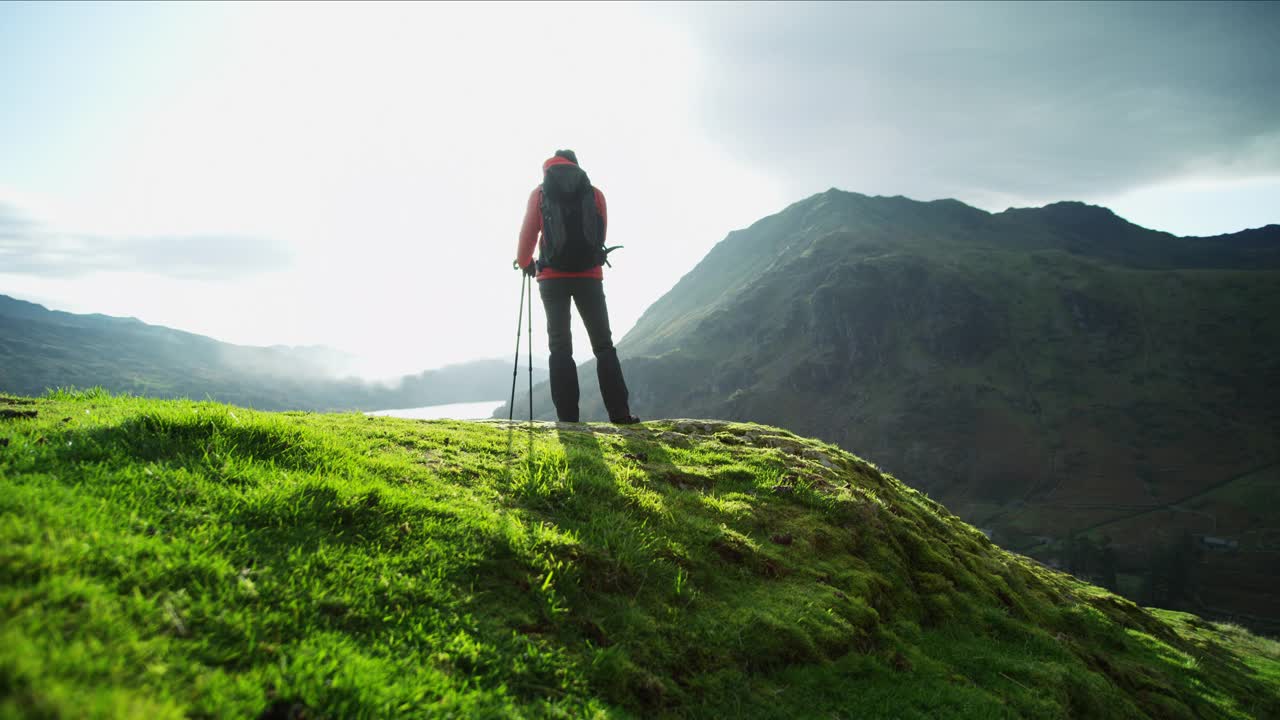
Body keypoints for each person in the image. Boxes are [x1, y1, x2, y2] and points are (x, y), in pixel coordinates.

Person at [515, 149, 640, 425]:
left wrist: (526, 262)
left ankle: (569, 420)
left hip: (551, 279)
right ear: (576, 166)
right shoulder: (594, 193)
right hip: (589, 277)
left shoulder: (540, 193)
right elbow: (599, 234)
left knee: (560, 347)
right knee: (603, 345)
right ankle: (620, 414)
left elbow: (528, 234)